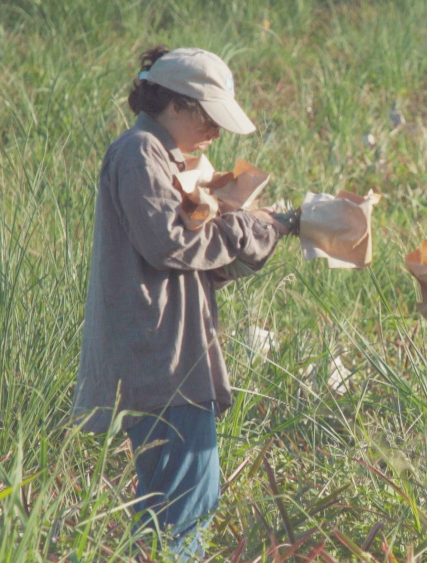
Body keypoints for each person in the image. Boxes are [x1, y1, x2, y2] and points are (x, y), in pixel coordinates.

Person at [70, 46, 294, 558]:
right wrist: (246, 227)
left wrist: (265, 231)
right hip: (161, 358)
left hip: (173, 353)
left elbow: (190, 261)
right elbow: (170, 244)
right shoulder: (139, 154)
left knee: (176, 502)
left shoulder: (163, 158)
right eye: (209, 117)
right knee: (184, 505)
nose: (215, 131)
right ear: (176, 104)